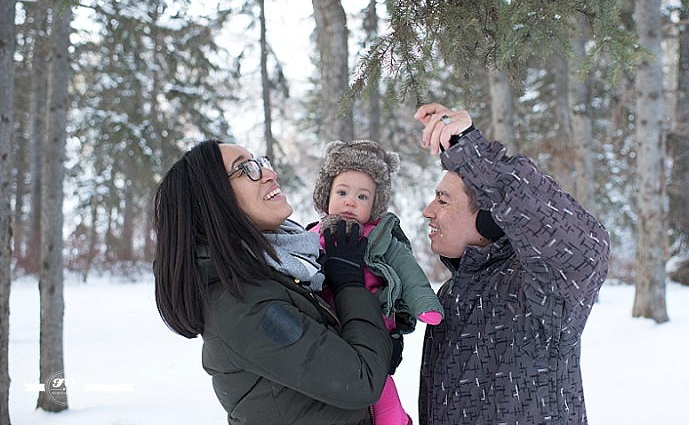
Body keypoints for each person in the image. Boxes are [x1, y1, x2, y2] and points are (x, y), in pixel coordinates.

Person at [153, 140, 393, 425]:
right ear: (215, 202)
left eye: (260, 162)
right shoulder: (244, 306)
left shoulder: (283, 267)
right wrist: (350, 286)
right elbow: (360, 380)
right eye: (245, 169)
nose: (269, 173)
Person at [414, 103, 611, 425]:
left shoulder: (537, 289)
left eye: (443, 199)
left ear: (490, 217)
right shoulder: (454, 291)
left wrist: (471, 151)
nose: (427, 210)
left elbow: (586, 246)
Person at [310, 139, 444, 425]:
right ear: (326, 195)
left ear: (375, 204)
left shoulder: (381, 239)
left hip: (373, 332)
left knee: (381, 392)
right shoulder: (311, 237)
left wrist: (424, 303)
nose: (350, 201)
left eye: (362, 197)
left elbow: (409, 272)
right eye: (342, 192)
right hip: (328, 333)